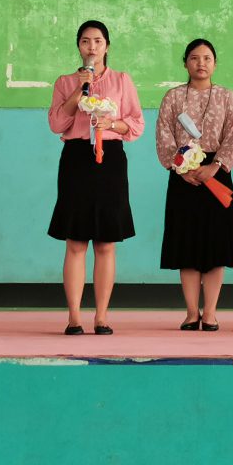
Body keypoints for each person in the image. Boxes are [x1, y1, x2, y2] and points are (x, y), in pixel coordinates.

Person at [47, 20, 144, 335]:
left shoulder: (121, 80)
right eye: (86, 41)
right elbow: (57, 124)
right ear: (79, 46)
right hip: (76, 159)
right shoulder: (65, 82)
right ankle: (74, 317)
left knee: (106, 243)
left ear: (107, 46)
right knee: (75, 241)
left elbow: (136, 123)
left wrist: (111, 123)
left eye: (98, 41)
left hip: (110, 159)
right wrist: (80, 89)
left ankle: (101, 317)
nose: (92, 47)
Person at [156, 39, 233, 332]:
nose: (201, 63)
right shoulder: (173, 97)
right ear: (185, 63)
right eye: (194, 58)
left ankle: (211, 313)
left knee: (216, 246)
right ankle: (192, 313)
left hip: (217, 173)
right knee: (187, 246)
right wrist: (181, 169)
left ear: (215, 63)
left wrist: (214, 167)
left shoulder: (227, 97)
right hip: (183, 176)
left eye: (207, 58)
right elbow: (164, 134)